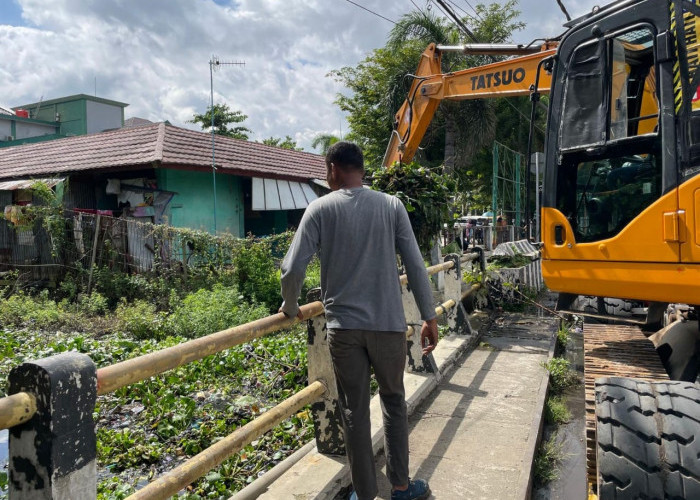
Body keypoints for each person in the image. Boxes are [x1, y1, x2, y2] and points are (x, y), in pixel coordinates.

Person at [279, 141, 438, 500]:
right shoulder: (391, 205)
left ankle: (364, 494)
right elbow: (415, 264)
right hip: (388, 326)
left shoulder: (319, 209)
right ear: (361, 169)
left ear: (334, 168)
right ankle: (400, 486)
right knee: (394, 402)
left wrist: (290, 307)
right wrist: (429, 316)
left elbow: (292, 267)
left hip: (343, 330)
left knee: (353, 412)